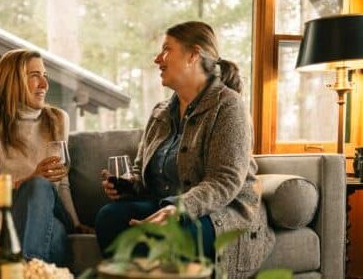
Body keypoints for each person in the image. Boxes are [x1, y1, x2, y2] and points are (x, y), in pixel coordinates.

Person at [95, 21, 275, 278]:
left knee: (172, 236)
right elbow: (141, 173)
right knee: (110, 218)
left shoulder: (228, 107)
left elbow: (224, 182)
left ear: (193, 55)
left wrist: (179, 209)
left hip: (219, 213)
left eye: (166, 50)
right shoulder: (160, 112)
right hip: (167, 209)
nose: (158, 59)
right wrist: (127, 185)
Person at [0, 48, 90, 266]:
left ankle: (18, 269)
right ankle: (31, 268)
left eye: (44, 76)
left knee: (39, 186)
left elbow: (61, 183)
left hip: (53, 207)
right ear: (12, 81)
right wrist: (27, 181)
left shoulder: (57, 119)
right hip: (14, 214)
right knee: (53, 235)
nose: (44, 85)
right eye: (35, 76)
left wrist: (75, 223)